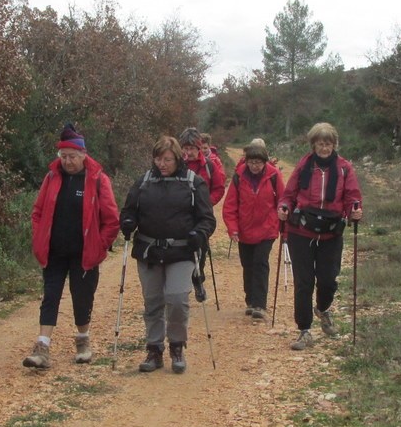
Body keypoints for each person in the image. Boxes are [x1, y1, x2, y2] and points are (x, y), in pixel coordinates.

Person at [24, 124, 120, 369]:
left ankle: (83, 341)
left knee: (82, 298)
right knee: (50, 296)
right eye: (63, 156)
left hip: (85, 253)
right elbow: (37, 212)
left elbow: (111, 220)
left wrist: (100, 246)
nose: (68, 161)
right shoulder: (52, 177)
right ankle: (42, 348)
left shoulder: (98, 179)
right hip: (54, 251)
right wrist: (39, 239)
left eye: (72, 157)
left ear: (83, 155)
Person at [120, 135, 217, 374]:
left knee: (176, 299)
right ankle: (154, 349)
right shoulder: (144, 181)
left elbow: (207, 219)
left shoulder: (193, 182)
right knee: (152, 301)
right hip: (149, 251)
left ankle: (176, 345)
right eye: (158, 159)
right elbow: (129, 209)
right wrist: (128, 222)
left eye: (167, 159)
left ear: (177, 158)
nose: (162, 164)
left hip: (182, 251)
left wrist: (199, 233)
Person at [277, 122, 363, 350]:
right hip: (301, 231)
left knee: (328, 280)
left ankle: (322, 309)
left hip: (331, 233)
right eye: (320, 144)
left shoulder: (344, 168)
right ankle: (304, 330)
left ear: (334, 145)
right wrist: (284, 207)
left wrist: (355, 211)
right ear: (313, 145)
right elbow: (289, 194)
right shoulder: (304, 166)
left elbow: (352, 196)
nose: (324, 148)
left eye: (328, 143)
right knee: (303, 283)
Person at [223, 139, 282, 321]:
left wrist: (282, 218)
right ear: (246, 161)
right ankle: (250, 300)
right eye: (251, 162)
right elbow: (230, 205)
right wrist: (232, 228)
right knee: (247, 265)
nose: (254, 166)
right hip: (245, 231)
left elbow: (283, 199)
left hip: (267, 229)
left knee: (260, 263)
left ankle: (260, 305)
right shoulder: (239, 176)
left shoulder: (273, 175)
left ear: (265, 162)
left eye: (258, 163)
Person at [180, 127, 225, 205]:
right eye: (186, 148)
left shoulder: (209, 165)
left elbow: (219, 189)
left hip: (202, 213)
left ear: (198, 148)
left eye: (192, 148)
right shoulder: (178, 165)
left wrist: (207, 203)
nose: (189, 152)